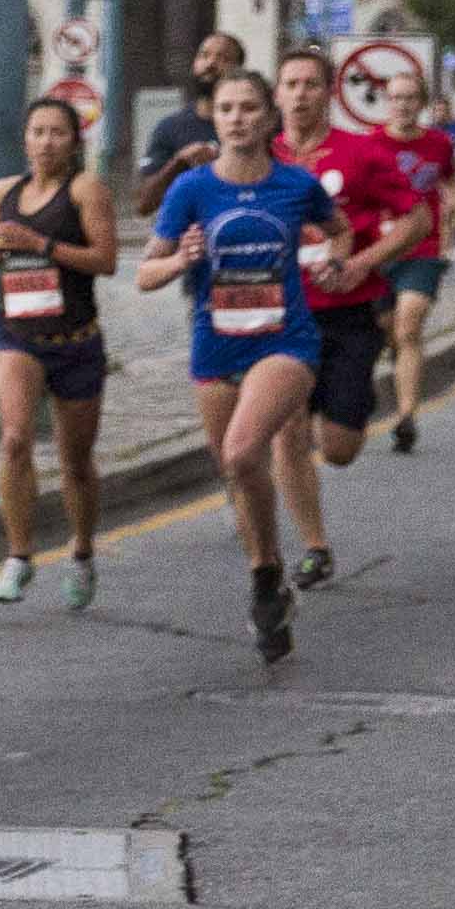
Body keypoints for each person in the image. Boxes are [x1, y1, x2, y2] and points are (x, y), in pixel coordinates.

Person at [132, 65, 335, 666]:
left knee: (247, 451)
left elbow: (338, 232)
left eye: (249, 107)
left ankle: (270, 573)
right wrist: (179, 261)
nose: (238, 119)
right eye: (226, 109)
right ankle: (266, 573)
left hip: (285, 341)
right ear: (213, 119)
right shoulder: (191, 189)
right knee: (233, 468)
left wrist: (331, 260)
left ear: (270, 116)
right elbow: (145, 273)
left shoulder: (298, 185)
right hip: (215, 343)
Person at [271, 43, 433, 590]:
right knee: (287, 430)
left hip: (348, 315)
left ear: (328, 93)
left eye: (310, 84)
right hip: (282, 319)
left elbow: (415, 219)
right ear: (278, 93)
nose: (299, 95)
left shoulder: (361, 154)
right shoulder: (262, 157)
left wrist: (360, 262)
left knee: (338, 450)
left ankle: (350, 402)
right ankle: (315, 546)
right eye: (290, 84)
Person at [0, 91, 117, 608]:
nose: (45, 142)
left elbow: (105, 260)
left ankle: (81, 552)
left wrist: (41, 246)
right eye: (37, 132)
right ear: (25, 139)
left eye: (57, 133)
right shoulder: (5, 191)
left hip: (75, 340)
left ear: (73, 141)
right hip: (20, 334)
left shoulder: (86, 190)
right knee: (15, 438)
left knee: (75, 460)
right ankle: (18, 556)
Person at [360, 44, 455, 452]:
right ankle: (396, 381)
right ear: (387, 103)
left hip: (422, 250)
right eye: (396, 98)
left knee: (408, 328)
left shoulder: (438, 144)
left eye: (410, 98)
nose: (403, 105)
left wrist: (454, 206)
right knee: (388, 331)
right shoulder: (370, 144)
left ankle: (406, 416)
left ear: (422, 103)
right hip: (379, 251)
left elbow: (450, 182)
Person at [139, 30, 245, 180]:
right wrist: (179, 163)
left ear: (239, 70)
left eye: (223, 58)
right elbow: (144, 196)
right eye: (204, 55)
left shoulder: (252, 127)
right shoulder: (170, 128)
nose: (211, 63)